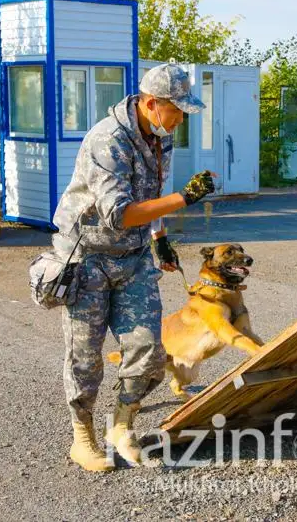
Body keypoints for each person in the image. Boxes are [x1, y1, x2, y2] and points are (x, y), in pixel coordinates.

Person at [51, 63, 215, 472]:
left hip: (134, 255)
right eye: (175, 110)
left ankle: (121, 426)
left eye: (182, 111)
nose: (179, 119)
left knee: (149, 346)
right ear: (150, 103)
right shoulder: (107, 140)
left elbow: (150, 197)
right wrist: (184, 199)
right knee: (85, 356)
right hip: (87, 256)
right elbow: (119, 214)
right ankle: (83, 438)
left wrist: (160, 239)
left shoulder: (160, 139)